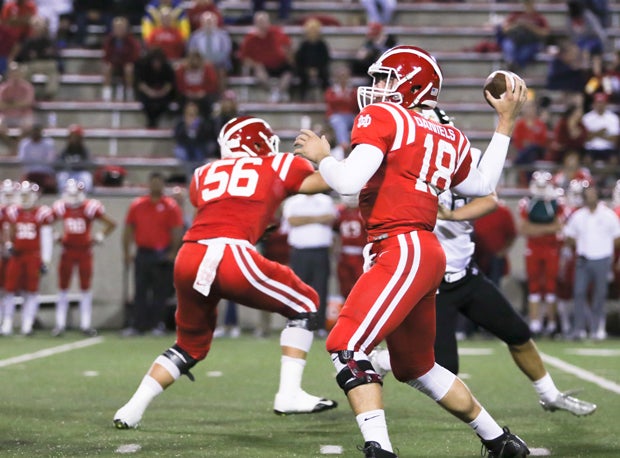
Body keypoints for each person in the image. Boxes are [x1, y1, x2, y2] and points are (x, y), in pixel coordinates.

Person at [293, 45, 529, 457]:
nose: (377, 87)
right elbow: (482, 184)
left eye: (385, 78)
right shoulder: (448, 134)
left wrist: (322, 157)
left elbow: (347, 182)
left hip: (400, 247)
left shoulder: (384, 116)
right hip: (424, 251)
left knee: (346, 346)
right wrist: (505, 122)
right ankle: (500, 441)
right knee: (416, 367)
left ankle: (379, 449)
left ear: (411, 84)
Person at [113, 116, 338, 430]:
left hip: (190, 255)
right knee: (305, 301)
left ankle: (131, 409)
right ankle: (289, 393)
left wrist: (255, 223)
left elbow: (221, 209)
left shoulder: (202, 173)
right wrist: (324, 158)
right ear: (258, 142)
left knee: (189, 345)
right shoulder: (277, 163)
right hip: (228, 254)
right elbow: (329, 182)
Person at [369, 162, 596, 418]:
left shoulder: (465, 160)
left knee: (518, 334)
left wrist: (453, 215)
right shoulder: (407, 172)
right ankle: (384, 360)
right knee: (444, 366)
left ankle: (549, 395)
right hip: (433, 284)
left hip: (467, 275)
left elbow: (490, 200)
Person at [51, 179, 117, 337]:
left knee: (85, 287)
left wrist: (100, 236)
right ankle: (59, 324)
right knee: (63, 287)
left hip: (84, 251)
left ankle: (85, 324)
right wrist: (54, 235)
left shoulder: (89, 207)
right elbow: (46, 223)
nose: (73, 197)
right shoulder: (61, 207)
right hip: (67, 250)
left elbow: (111, 224)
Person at [122, 172, 184, 336]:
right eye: (153, 182)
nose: (155, 186)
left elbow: (177, 231)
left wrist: (172, 252)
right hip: (143, 252)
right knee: (140, 290)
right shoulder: (138, 205)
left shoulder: (171, 206)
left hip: (162, 253)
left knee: (160, 291)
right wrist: (127, 251)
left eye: (158, 183)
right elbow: (128, 229)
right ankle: (138, 324)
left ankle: (158, 324)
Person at [563, 182, 620, 341]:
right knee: (579, 293)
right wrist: (580, 244)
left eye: (593, 194)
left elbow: (617, 237)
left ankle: (597, 328)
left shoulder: (608, 215)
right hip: (583, 259)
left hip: (602, 259)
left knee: (599, 295)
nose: (590, 197)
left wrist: (603, 247)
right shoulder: (578, 215)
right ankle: (579, 329)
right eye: (588, 194)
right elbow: (569, 236)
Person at [1, 181, 54, 335]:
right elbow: (8, 232)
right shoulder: (13, 211)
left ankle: (27, 324)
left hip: (33, 256)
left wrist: (45, 260)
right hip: (16, 256)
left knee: (31, 291)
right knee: (9, 290)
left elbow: (46, 238)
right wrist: (9, 244)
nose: (24, 198)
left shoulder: (42, 213)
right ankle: (7, 322)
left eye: (27, 195)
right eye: (22, 195)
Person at [283, 192, 336, 334]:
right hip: (300, 251)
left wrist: (304, 219)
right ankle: (298, 322)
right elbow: (292, 220)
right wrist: (317, 218)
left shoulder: (325, 200)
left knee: (321, 288)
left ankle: (319, 326)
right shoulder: (293, 201)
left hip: (320, 251)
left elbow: (330, 218)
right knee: (298, 290)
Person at [518, 171, 563, 336]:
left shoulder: (557, 202)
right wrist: (546, 229)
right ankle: (535, 322)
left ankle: (551, 323)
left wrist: (536, 230)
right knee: (534, 285)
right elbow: (523, 228)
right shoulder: (527, 202)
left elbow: (559, 227)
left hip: (550, 247)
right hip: (534, 248)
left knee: (551, 285)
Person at [238, 11, 293, 103]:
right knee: (259, 71)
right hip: (263, 67)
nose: (263, 25)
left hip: (280, 64)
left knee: (288, 72)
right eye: (260, 22)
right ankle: (273, 91)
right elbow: (244, 57)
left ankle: (280, 92)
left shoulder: (277, 32)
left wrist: (288, 54)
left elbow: (289, 47)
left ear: (269, 22)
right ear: (255, 24)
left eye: (264, 22)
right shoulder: (250, 39)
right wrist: (255, 64)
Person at [14, 15, 60, 100]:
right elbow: (22, 55)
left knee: (54, 70)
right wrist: (40, 54)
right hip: (32, 64)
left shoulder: (49, 40)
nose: (37, 28)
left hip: (47, 64)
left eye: (39, 25)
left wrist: (38, 54)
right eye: (35, 25)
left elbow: (54, 54)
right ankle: (25, 94)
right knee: (24, 70)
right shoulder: (28, 41)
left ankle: (49, 94)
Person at [496, 0, 550, 71]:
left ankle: (515, 65)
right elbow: (504, 29)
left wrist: (530, 26)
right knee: (508, 44)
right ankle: (511, 63)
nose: (527, 6)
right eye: (525, 3)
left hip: (531, 42)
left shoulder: (538, 17)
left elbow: (545, 32)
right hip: (515, 40)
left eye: (529, 3)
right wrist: (517, 24)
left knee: (527, 51)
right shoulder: (516, 15)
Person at [187, 11, 232, 92]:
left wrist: (212, 62)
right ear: (202, 23)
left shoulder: (223, 36)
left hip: (219, 64)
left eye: (210, 21)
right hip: (200, 63)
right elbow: (191, 52)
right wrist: (203, 62)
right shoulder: (195, 36)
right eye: (206, 22)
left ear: (215, 22)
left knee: (221, 71)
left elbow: (225, 51)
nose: (208, 24)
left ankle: (221, 96)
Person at [102, 16, 142, 102]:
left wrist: (124, 60)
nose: (119, 30)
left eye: (121, 27)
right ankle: (106, 93)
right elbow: (106, 56)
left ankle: (129, 92)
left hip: (127, 64)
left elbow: (134, 56)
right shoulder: (109, 40)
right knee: (107, 67)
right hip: (114, 64)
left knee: (129, 68)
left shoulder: (131, 41)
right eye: (117, 28)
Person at [134, 47, 176, 128]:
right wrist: (150, 92)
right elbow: (140, 83)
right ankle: (151, 121)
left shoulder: (167, 67)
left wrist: (162, 92)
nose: (157, 64)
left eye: (158, 62)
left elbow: (170, 84)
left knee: (165, 103)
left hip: (163, 93)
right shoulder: (144, 67)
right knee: (146, 102)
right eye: (154, 62)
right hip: (147, 92)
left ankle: (156, 120)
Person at [334, 195, 366, 299]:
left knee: (361, 284)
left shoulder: (362, 212)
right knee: (345, 286)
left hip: (360, 253)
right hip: (345, 253)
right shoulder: (339, 212)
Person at [293, 18, 330, 102]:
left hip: (319, 69)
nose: (312, 33)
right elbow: (299, 60)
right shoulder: (303, 45)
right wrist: (308, 70)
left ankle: (327, 97)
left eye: (314, 30)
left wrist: (316, 70)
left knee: (325, 76)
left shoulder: (322, 45)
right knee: (301, 76)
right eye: (310, 30)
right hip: (305, 69)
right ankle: (302, 98)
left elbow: (325, 59)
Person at [324, 64, 358, 154]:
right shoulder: (331, 91)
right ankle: (344, 145)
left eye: (345, 76)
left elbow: (354, 105)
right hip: (336, 116)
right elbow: (330, 104)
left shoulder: (354, 91)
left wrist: (340, 101)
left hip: (350, 116)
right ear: (337, 78)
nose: (343, 78)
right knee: (339, 122)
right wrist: (344, 100)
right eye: (341, 76)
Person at [175, 49, 219, 119]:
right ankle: (182, 121)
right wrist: (187, 92)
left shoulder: (207, 69)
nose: (194, 61)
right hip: (187, 95)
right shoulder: (182, 69)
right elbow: (179, 84)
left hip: (203, 95)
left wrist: (204, 92)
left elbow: (213, 84)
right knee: (180, 101)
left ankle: (206, 122)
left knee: (207, 103)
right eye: (192, 59)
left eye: (196, 59)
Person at [581, 92, 619, 166]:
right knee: (586, 159)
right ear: (594, 104)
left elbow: (615, 139)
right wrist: (601, 133)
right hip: (591, 148)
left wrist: (594, 134)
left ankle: (607, 177)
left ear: (606, 104)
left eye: (602, 103)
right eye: (598, 102)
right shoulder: (586, 118)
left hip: (608, 148)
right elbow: (585, 138)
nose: (600, 105)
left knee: (614, 160)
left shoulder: (613, 118)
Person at [17, 122, 57, 194]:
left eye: (37, 130)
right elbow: (23, 160)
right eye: (34, 130)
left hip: (45, 172)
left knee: (51, 184)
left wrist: (37, 164)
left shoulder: (48, 143)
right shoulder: (25, 144)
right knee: (22, 186)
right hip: (30, 173)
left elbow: (50, 160)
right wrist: (37, 163)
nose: (35, 133)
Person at [55, 124, 94, 192]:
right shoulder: (66, 150)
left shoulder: (84, 150)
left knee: (87, 177)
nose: (74, 139)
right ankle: (63, 196)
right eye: (72, 137)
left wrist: (79, 164)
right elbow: (59, 162)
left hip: (81, 172)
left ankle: (85, 196)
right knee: (61, 176)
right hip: (69, 172)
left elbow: (89, 163)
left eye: (76, 137)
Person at [0, 61, 35, 132]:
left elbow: (28, 103)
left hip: (23, 115)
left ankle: (18, 142)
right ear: (9, 74)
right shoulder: (3, 88)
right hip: (6, 115)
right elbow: (0, 105)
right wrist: (18, 103)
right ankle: (11, 142)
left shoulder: (28, 87)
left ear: (21, 74)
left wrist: (9, 104)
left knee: (28, 126)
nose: (15, 75)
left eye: (17, 73)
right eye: (13, 73)